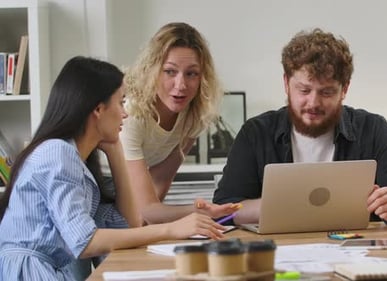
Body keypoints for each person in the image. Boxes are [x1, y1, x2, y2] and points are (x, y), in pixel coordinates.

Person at [0, 57, 227, 280]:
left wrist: (115, 149)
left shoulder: (77, 161)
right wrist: (172, 229)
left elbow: (130, 223)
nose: (125, 113)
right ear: (98, 109)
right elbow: (85, 241)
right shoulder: (58, 154)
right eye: (121, 102)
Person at [213, 28, 387, 226]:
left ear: (344, 89)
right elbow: (224, 208)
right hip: (277, 254)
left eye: (326, 92)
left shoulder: (373, 129)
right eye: (304, 90)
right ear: (286, 84)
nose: (313, 103)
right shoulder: (256, 133)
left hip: (356, 253)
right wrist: (277, 206)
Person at [97, 22, 240, 230]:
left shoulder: (196, 115)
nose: (181, 86)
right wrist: (199, 211)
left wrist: (152, 222)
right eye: (170, 72)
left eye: (191, 74)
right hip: (98, 188)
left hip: (134, 191)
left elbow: (156, 197)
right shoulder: (132, 114)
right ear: (152, 70)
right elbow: (146, 210)